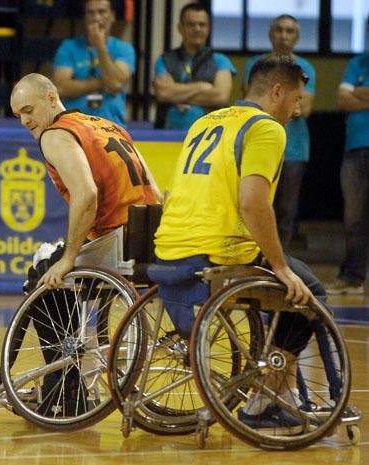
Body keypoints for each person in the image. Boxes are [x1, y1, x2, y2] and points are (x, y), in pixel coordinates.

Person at [151, 54, 320, 431]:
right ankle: (267, 397)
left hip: (168, 244)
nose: (297, 110)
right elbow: (252, 203)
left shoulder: (205, 120)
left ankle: (282, 390)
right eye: (296, 99)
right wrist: (280, 266)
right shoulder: (267, 128)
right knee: (309, 292)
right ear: (277, 92)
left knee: (289, 279)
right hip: (216, 247)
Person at [0, 73, 160, 413]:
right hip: (149, 237)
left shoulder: (55, 134)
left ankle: (65, 390)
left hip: (118, 240)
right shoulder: (108, 125)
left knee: (46, 272)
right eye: (18, 115)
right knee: (56, 261)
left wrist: (69, 257)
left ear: (52, 97)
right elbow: (156, 193)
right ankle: (69, 380)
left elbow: (86, 194)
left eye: (29, 110)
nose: (25, 121)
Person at [243, 15, 316, 248]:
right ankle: (253, 261)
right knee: (253, 203)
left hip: (293, 150)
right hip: (255, 145)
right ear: (270, 33)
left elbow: (304, 109)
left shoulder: (306, 68)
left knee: (285, 212)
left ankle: (280, 263)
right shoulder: (256, 66)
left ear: (297, 37)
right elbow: (251, 103)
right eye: (279, 30)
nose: (284, 35)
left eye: (289, 31)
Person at [326, 45, 369, 295]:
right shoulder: (358, 63)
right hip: (355, 150)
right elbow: (341, 99)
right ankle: (353, 277)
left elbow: (350, 96)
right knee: (354, 218)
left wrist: (359, 94)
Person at [152, 3, 236, 130]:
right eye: (191, 24)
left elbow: (221, 97)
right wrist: (202, 87)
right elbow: (163, 93)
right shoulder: (165, 60)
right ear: (180, 28)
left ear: (208, 29)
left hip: (209, 137)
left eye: (202, 25)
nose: (197, 29)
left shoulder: (220, 60)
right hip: (166, 135)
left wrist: (175, 92)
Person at [53, 0, 136, 127]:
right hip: (74, 127)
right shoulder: (68, 47)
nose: (96, 18)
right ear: (85, 17)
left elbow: (115, 84)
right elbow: (61, 88)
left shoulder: (123, 49)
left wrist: (100, 46)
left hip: (112, 128)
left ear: (112, 16)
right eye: (90, 13)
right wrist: (101, 83)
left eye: (101, 12)